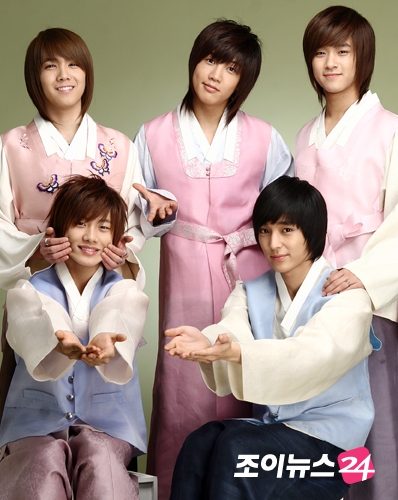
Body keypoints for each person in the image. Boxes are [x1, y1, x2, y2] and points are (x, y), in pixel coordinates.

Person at [134, 19, 294, 497]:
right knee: (182, 380)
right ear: (194, 61)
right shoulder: (152, 134)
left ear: (243, 80)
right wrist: (153, 214)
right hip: (182, 271)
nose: (216, 75)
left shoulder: (265, 137)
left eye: (231, 68)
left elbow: (288, 212)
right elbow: (133, 216)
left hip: (250, 274)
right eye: (210, 60)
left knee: (249, 373)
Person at [0, 27, 176, 436]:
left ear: (87, 73)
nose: (64, 74)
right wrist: (36, 249)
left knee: (109, 399)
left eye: (74, 64)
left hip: (102, 290)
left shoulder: (119, 146)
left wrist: (126, 245)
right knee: (28, 389)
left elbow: (129, 221)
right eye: (50, 65)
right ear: (34, 76)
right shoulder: (8, 147)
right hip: (37, 290)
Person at [165, 176, 375, 500]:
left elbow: (312, 354)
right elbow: (232, 329)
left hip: (334, 441)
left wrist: (238, 353)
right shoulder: (251, 290)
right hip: (274, 430)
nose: (273, 243)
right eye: (264, 230)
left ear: (312, 231)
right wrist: (209, 343)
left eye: (286, 230)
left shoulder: (348, 297)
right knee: (200, 443)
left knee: (237, 448)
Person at [0, 175, 149, 500]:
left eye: (103, 227)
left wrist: (106, 339)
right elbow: (36, 315)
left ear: (117, 237)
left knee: (99, 458)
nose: (91, 236)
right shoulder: (28, 289)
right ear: (60, 227)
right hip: (34, 424)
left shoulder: (124, 290)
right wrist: (57, 341)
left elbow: (118, 310)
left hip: (108, 426)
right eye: (80, 223)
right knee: (44, 461)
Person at [294, 6, 398, 499]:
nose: (331, 62)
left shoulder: (390, 129)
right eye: (320, 52)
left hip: (367, 291)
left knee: (371, 411)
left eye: (342, 51)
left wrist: (365, 275)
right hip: (314, 292)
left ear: (363, 58)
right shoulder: (304, 135)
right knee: (318, 413)